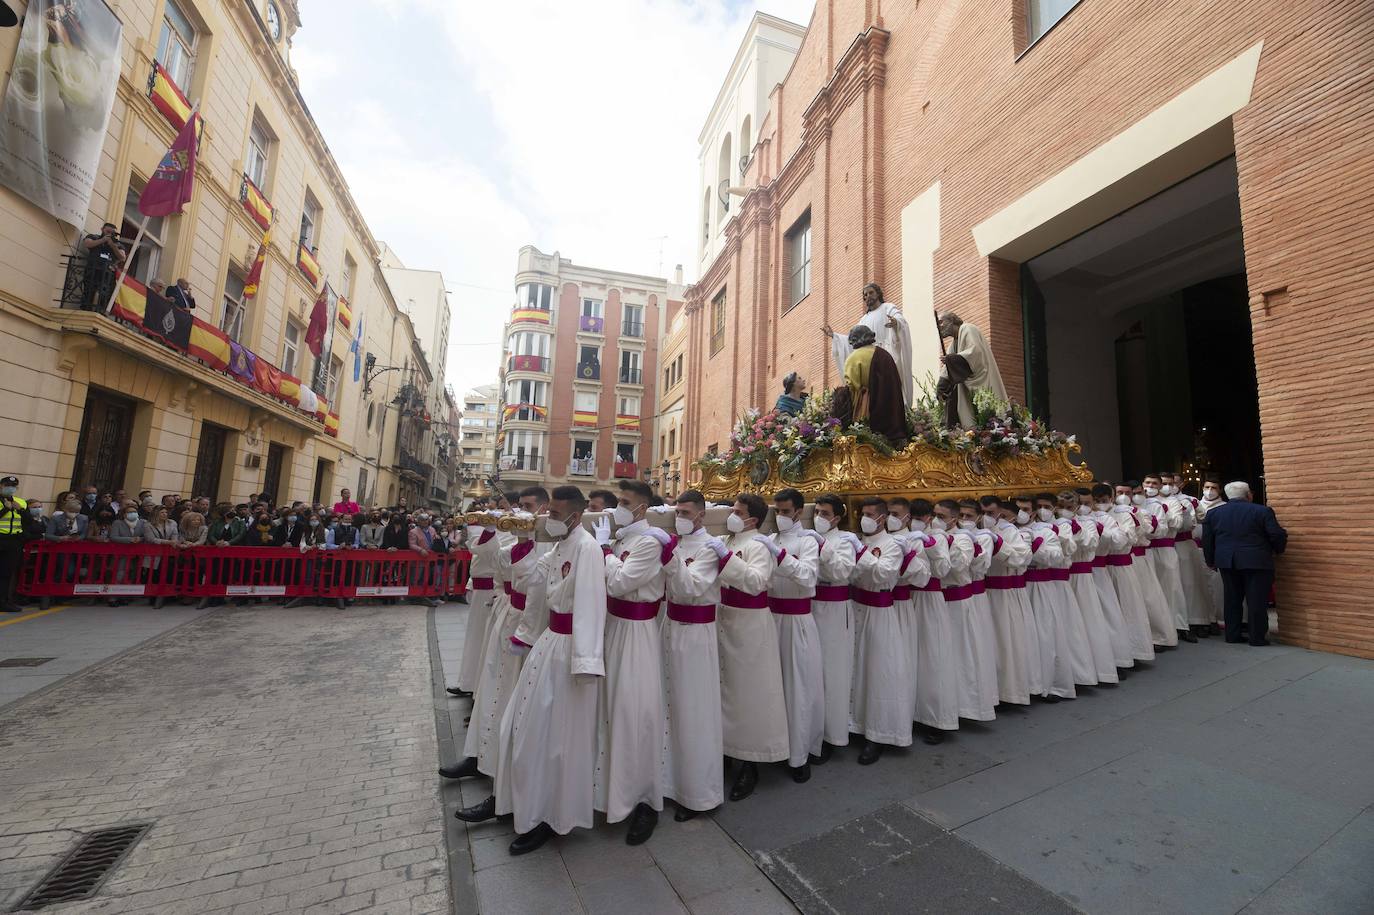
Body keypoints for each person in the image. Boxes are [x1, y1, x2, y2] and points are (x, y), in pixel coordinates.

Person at [461, 486, 607, 858]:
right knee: (519, 728)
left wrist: (586, 663)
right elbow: (534, 587)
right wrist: (526, 634)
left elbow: (591, 605)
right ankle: (510, 803)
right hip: (549, 642)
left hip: (570, 650)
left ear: (574, 516)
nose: (549, 520)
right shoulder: (559, 546)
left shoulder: (588, 550)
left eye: (555, 514)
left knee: (554, 739)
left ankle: (548, 816)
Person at [442, 489, 550, 782]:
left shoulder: (551, 545)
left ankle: (504, 765)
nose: (518, 513)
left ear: (543, 510)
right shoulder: (514, 541)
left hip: (533, 628)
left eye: (526, 507)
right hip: (508, 617)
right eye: (517, 508)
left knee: (514, 696)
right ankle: (478, 755)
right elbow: (494, 565)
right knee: (492, 687)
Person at [591, 479, 671, 844]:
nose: (617, 507)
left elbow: (621, 583)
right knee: (608, 709)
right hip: (612, 627)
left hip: (636, 632)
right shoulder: (623, 537)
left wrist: (604, 550)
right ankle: (609, 789)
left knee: (634, 710)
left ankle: (643, 799)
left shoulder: (650, 541)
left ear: (641, 507)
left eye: (624, 501)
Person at [713, 493, 787, 799]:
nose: (731, 514)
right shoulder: (728, 540)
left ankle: (749, 762)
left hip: (751, 624)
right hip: (725, 618)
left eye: (736, 511)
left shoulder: (758, 545)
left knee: (749, 693)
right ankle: (726, 751)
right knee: (725, 690)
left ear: (752, 519)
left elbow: (757, 582)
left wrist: (726, 560)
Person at [661, 489, 725, 820]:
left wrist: (667, 556)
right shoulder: (677, 542)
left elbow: (690, 588)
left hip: (696, 634)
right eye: (677, 512)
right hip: (669, 628)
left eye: (686, 513)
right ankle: (667, 781)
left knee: (693, 709)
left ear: (700, 515)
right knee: (669, 706)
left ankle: (697, 792)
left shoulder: (710, 548)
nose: (679, 518)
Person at [764, 487, 825, 781]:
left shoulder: (808, 540)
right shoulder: (771, 538)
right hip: (769, 619)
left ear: (799, 512)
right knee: (771, 687)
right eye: (777, 511)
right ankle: (773, 746)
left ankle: (799, 755)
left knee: (798, 686)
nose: (781, 517)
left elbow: (808, 576)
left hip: (796, 619)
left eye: (786, 511)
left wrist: (781, 556)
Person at [848, 496, 910, 764]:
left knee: (879, 671)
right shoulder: (860, 540)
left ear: (882, 518)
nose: (865, 518)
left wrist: (861, 555)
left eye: (870, 514)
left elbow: (884, 574)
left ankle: (878, 734)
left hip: (880, 611)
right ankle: (854, 724)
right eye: (863, 513)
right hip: (855, 608)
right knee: (855, 669)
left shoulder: (893, 544)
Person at [1202, 481, 1287, 646]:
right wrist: (1278, 550)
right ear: (1248, 494)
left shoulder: (1213, 513)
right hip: (1256, 560)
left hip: (1227, 561)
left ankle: (1232, 635)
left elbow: (1208, 540)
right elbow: (1276, 534)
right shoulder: (1262, 511)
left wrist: (1210, 561)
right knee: (1256, 600)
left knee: (1232, 599)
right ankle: (1257, 637)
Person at [977, 495, 1038, 707]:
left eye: (991, 513)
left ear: (1001, 514)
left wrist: (999, 545)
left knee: (1007, 640)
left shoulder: (1009, 531)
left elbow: (1023, 557)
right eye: (983, 513)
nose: (987, 517)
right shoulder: (976, 531)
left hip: (1005, 592)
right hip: (983, 593)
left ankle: (1011, 690)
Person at [810, 494, 858, 758]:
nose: (819, 517)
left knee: (832, 671)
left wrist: (823, 549)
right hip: (810, 608)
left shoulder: (844, 541)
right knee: (812, 671)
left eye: (825, 513)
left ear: (837, 518)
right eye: (816, 511)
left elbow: (841, 572)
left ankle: (831, 734)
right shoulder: (810, 536)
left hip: (835, 611)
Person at [909, 499, 958, 745]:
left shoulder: (937, 537)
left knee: (933, 657)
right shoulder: (905, 535)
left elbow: (943, 569)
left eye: (923, 517)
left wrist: (930, 547)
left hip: (929, 599)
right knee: (910, 657)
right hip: (907, 601)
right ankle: (911, 712)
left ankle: (937, 719)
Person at [824, 282, 914, 407]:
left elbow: (900, 320)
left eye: (871, 292)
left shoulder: (888, 307)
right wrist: (835, 337)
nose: (868, 296)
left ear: (878, 293)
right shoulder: (864, 319)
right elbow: (853, 340)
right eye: (865, 295)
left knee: (890, 389)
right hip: (869, 361)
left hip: (888, 355)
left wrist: (896, 323)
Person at [1141, 474, 1196, 644]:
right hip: (1146, 550)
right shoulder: (1139, 502)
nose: (1150, 486)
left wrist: (1165, 515)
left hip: (1165, 548)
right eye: (1147, 483)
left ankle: (1180, 625)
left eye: (1155, 483)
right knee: (1150, 591)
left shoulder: (1170, 501)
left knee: (1172, 587)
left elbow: (1178, 523)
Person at [935, 311, 1008, 429]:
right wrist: (941, 385)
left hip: (982, 383)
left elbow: (975, 353)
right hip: (966, 389)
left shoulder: (968, 329)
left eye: (941, 322)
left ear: (952, 320)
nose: (939, 326)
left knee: (984, 415)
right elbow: (946, 369)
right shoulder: (954, 343)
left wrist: (952, 360)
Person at [836, 324, 907, 443]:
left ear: (855, 339)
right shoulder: (885, 354)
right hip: (893, 411)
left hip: (868, 412)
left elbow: (852, 388)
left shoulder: (853, 358)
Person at [81, 223, 126, 310]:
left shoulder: (117, 243)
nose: (109, 234)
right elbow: (87, 244)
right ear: (102, 229)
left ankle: (101, 309)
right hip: (93, 267)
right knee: (89, 288)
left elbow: (122, 257)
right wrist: (103, 240)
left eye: (112, 233)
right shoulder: (94, 237)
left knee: (104, 292)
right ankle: (86, 307)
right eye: (107, 231)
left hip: (108, 270)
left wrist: (112, 245)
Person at [0, 476, 28, 611]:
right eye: (7, 485)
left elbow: (29, 521)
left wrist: (20, 510)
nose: (11, 488)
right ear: (1, 485)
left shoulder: (20, 502)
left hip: (13, 541)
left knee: (7, 573)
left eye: (14, 486)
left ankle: (4, 602)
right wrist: (5, 509)